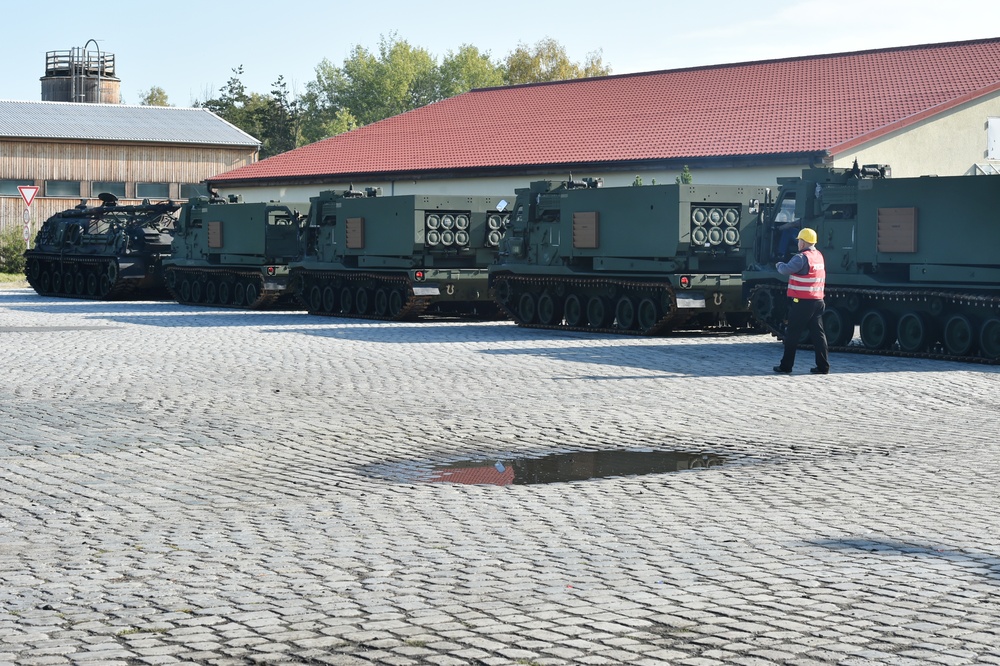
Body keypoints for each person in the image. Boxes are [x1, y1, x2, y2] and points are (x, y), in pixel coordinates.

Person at [773, 228, 830, 374]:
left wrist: (778, 264)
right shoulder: (818, 256)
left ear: (803, 242)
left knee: (792, 335)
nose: (798, 243)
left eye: (799, 240)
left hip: (803, 302)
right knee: (818, 335)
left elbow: (785, 270)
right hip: (818, 301)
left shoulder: (801, 257)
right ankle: (823, 366)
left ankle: (786, 366)